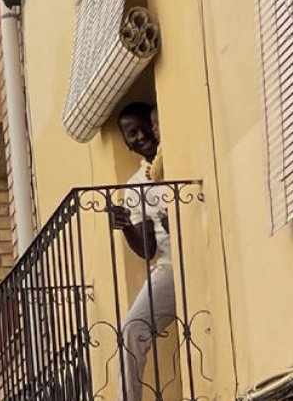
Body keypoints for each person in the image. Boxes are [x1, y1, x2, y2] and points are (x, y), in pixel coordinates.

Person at [108, 102, 174, 401]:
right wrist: (125, 227)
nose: (140, 136)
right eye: (130, 134)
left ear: (155, 125)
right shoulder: (135, 186)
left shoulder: (178, 155)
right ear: (126, 144)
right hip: (171, 267)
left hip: (203, 256)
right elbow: (147, 249)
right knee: (131, 329)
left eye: (143, 127)